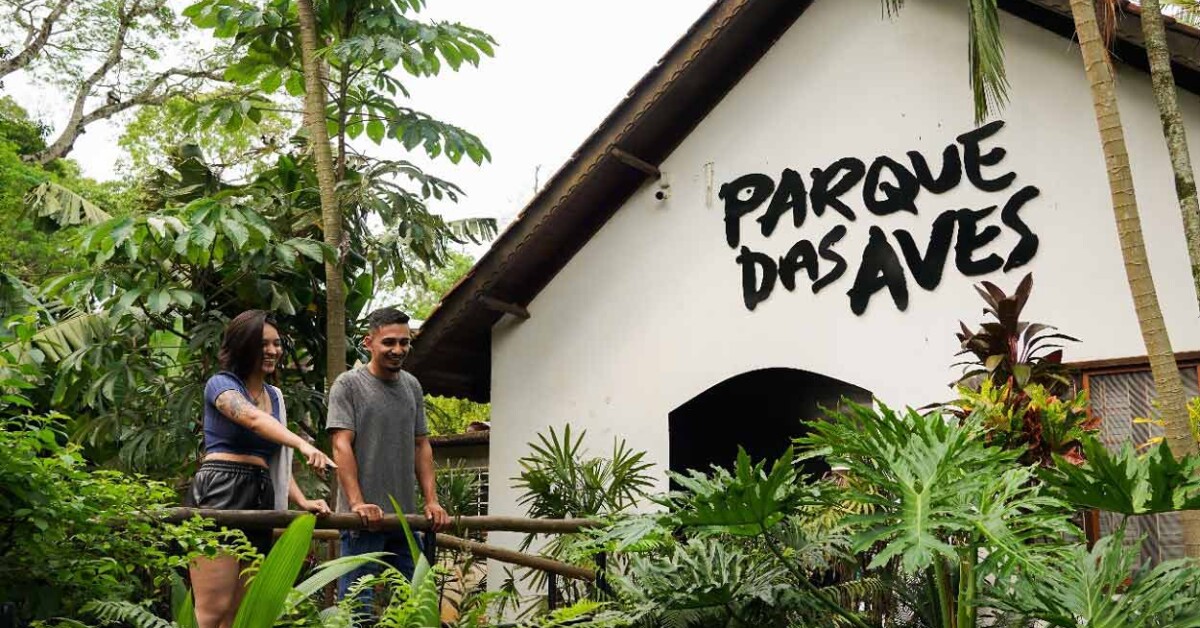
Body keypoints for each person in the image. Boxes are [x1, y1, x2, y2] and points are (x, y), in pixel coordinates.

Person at [187, 310, 336, 628]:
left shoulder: (275, 397)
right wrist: (304, 444)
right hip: (222, 488)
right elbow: (252, 419)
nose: (272, 351)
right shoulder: (221, 385)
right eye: (262, 344)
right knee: (213, 610)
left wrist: (302, 500)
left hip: (261, 492)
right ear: (242, 345)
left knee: (240, 612)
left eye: (276, 344)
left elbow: (276, 460)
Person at [328, 307, 451, 609]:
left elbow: (421, 445)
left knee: (417, 605)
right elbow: (341, 444)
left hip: (404, 520)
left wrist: (432, 501)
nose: (398, 349)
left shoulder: (411, 386)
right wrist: (357, 504)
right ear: (368, 342)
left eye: (404, 342)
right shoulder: (348, 384)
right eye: (389, 342)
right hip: (362, 522)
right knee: (355, 608)